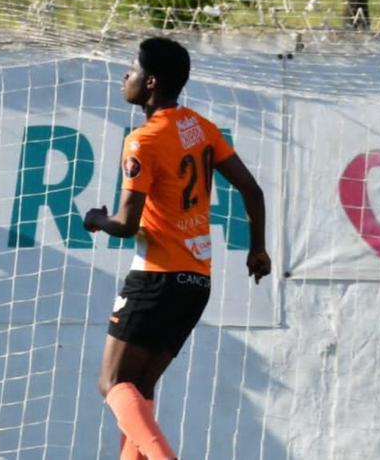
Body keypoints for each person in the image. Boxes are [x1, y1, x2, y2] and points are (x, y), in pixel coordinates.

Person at [83, 37, 271, 460]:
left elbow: (126, 225)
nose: (124, 76)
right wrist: (257, 250)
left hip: (155, 277)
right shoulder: (200, 128)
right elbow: (252, 191)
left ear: (150, 82)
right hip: (196, 283)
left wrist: (95, 219)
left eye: (130, 69)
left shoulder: (143, 140)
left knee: (111, 384)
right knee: (139, 392)